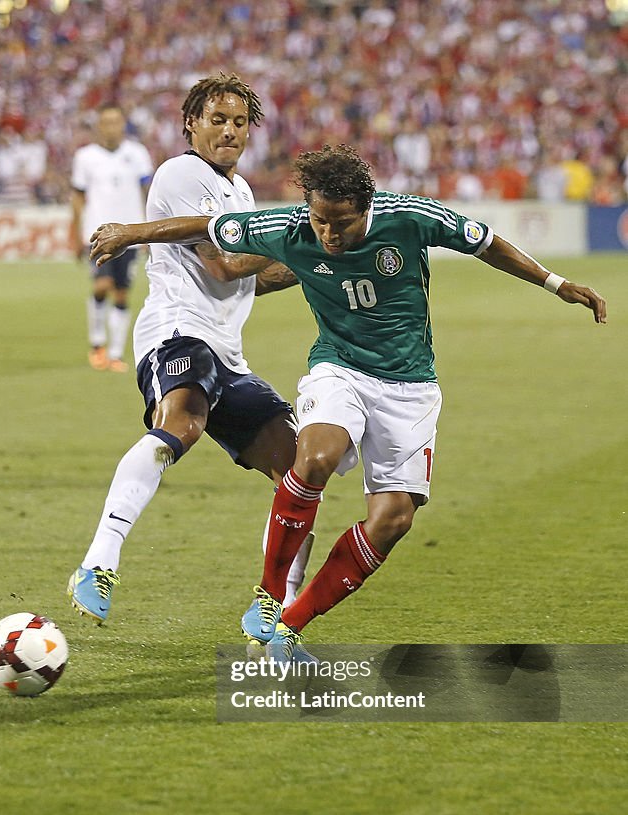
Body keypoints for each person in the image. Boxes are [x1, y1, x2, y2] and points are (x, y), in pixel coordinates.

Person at [89, 144, 607, 661]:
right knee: (312, 457)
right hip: (338, 369)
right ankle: (268, 599)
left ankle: (290, 628)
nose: (329, 236)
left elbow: (487, 243)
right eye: (320, 223)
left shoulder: (411, 217)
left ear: (367, 207)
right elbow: (208, 226)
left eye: (342, 224)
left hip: (411, 388)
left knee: (392, 520)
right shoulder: (290, 226)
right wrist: (131, 234)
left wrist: (555, 283)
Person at [68, 74, 313, 625]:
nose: (229, 131)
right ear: (191, 125)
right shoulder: (182, 172)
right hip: (177, 332)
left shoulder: (242, 192)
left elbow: (250, 279)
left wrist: (313, 263)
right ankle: (98, 562)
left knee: (300, 469)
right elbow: (223, 262)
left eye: (240, 122)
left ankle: (276, 609)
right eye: (218, 120)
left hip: (228, 353)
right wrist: (296, 234)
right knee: (182, 422)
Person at [71, 105, 154, 372]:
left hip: (130, 233)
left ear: (123, 125)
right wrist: (74, 232)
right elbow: (78, 197)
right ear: (98, 126)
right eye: (105, 122)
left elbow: (149, 192)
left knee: (121, 292)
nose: (111, 127)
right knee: (101, 286)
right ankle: (97, 344)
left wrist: (151, 232)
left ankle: (116, 354)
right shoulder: (85, 157)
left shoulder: (137, 154)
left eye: (116, 122)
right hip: (97, 233)